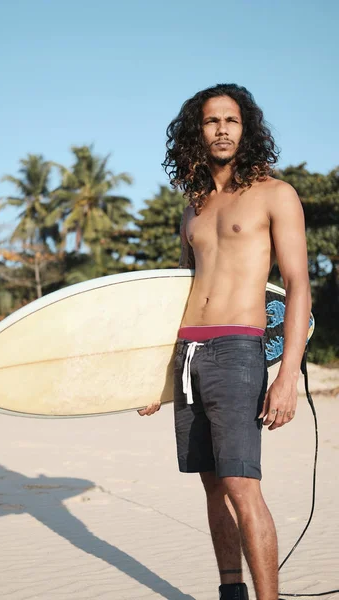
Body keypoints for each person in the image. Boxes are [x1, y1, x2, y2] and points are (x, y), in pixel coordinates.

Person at [138, 83, 311, 600]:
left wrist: (286, 379)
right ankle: (230, 592)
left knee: (241, 484)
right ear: (198, 131)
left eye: (231, 120)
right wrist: (152, 376)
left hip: (238, 350)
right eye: (211, 121)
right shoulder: (192, 208)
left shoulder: (275, 194)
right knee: (211, 485)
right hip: (187, 351)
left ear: (246, 128)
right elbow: (182, 291)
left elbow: (298, 284)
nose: (221, 129)